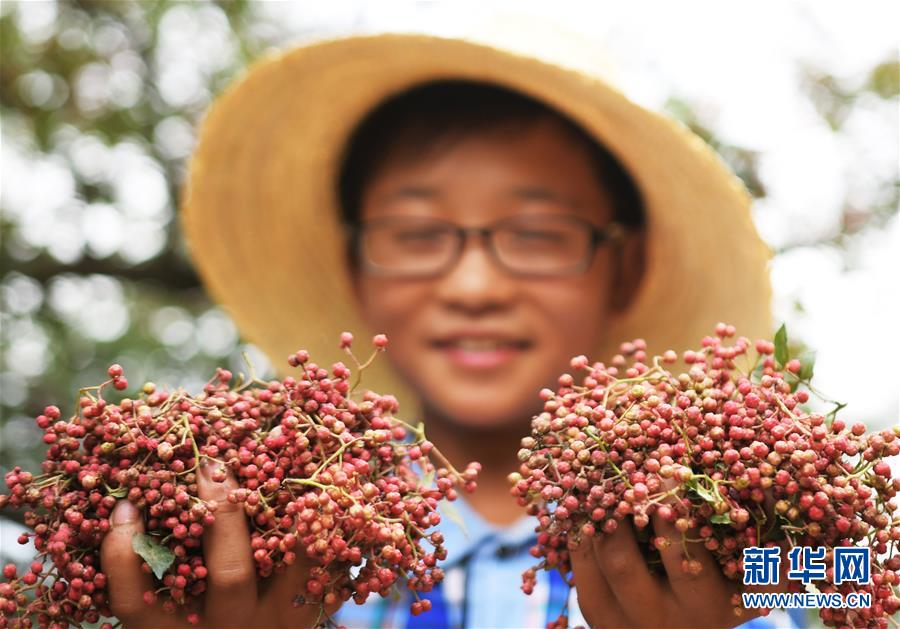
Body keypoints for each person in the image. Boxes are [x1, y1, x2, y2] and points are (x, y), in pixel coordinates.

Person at [100, 31, 803, 629]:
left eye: (536, 233)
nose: (474, 287)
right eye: (416, 233)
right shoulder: (274, 552)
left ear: (625, 266)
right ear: (355, 267)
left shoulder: (750, 552)